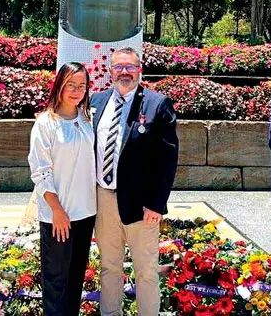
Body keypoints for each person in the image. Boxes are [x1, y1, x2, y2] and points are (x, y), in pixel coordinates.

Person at [91, 47, 179, 316]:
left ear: (140, 70)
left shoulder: (157, 103)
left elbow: (168, 159)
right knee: (109, 266)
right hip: (103, 199)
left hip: (142, 205)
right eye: (119, 67)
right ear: (110, 71)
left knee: (146, 271)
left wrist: (156, 204)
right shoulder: (96, 101)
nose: (124, 72)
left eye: (130, 67)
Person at [28, 62, 96, 316]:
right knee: (56, 281)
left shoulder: (89, 119)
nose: (76, 91)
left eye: (82, 86)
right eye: (71, 85)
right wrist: (57, 210)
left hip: (86, 212)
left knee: (75, 278)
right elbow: (41, 172)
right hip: (58, 216)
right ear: (59, 86)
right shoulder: (46, 124)